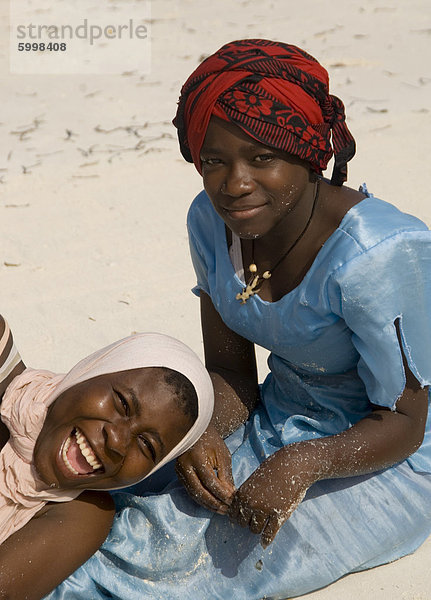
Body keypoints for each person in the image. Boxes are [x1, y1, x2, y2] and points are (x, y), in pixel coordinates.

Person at [46, 39, 431, 599]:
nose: (234, 184)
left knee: (160, 563)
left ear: (307, 154)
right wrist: (203, 432)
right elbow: (231, 373)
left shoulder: (379, 254)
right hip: (280, 415)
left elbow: (405, 422)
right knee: (107, 489)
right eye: (214, 161)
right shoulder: (210, 222)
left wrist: (302, 464)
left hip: (385, 458)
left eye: (261, 158)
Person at [0, 314, 213, 600]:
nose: (117, 441)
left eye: (147, 447)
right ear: (90, 371)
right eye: (122, 403)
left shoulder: (82, 515)